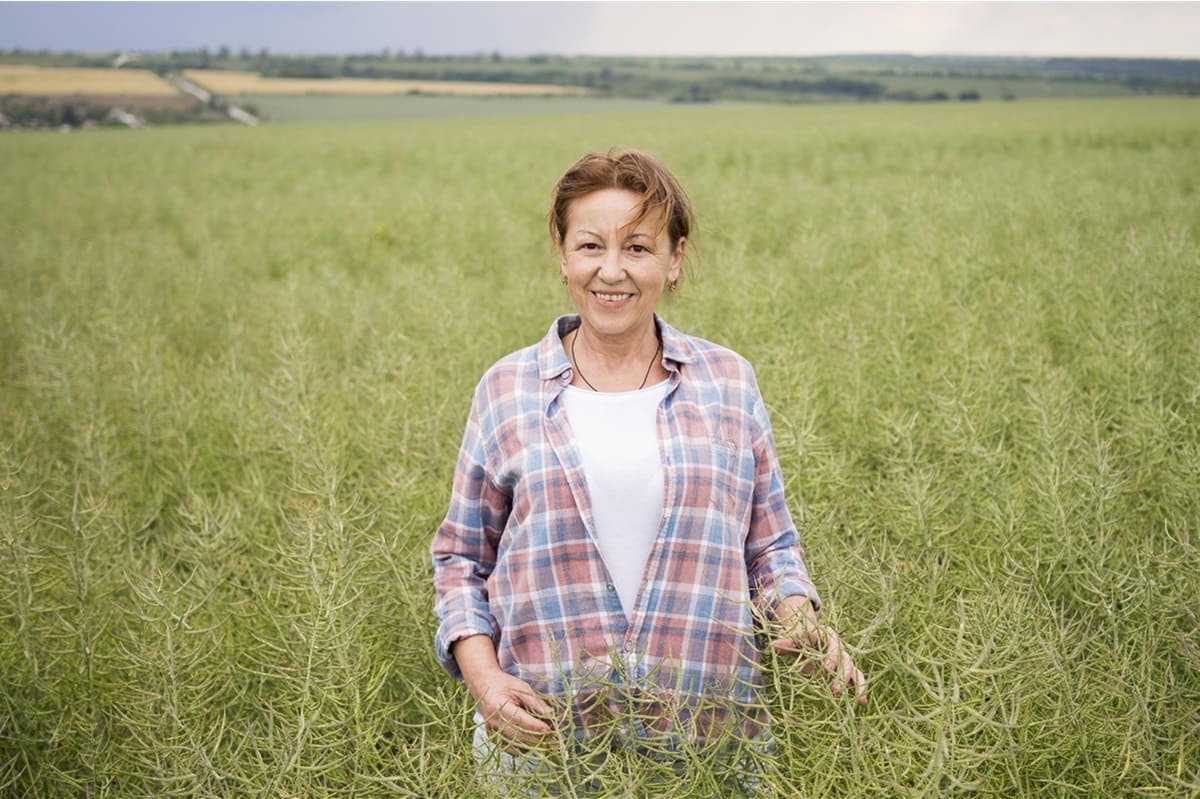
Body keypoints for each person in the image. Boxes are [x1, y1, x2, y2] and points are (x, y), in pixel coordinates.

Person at [431, 148, 865, 794]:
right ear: (562, 254)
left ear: (675, 258)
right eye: (590, 245)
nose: (612, 270)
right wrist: (485, 681)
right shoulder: (505, 390)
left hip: (711, 747)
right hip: (544, 755)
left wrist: (800, 623)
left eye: (638, 247)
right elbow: (461, 560)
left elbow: (769, 546)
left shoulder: (727, 382)